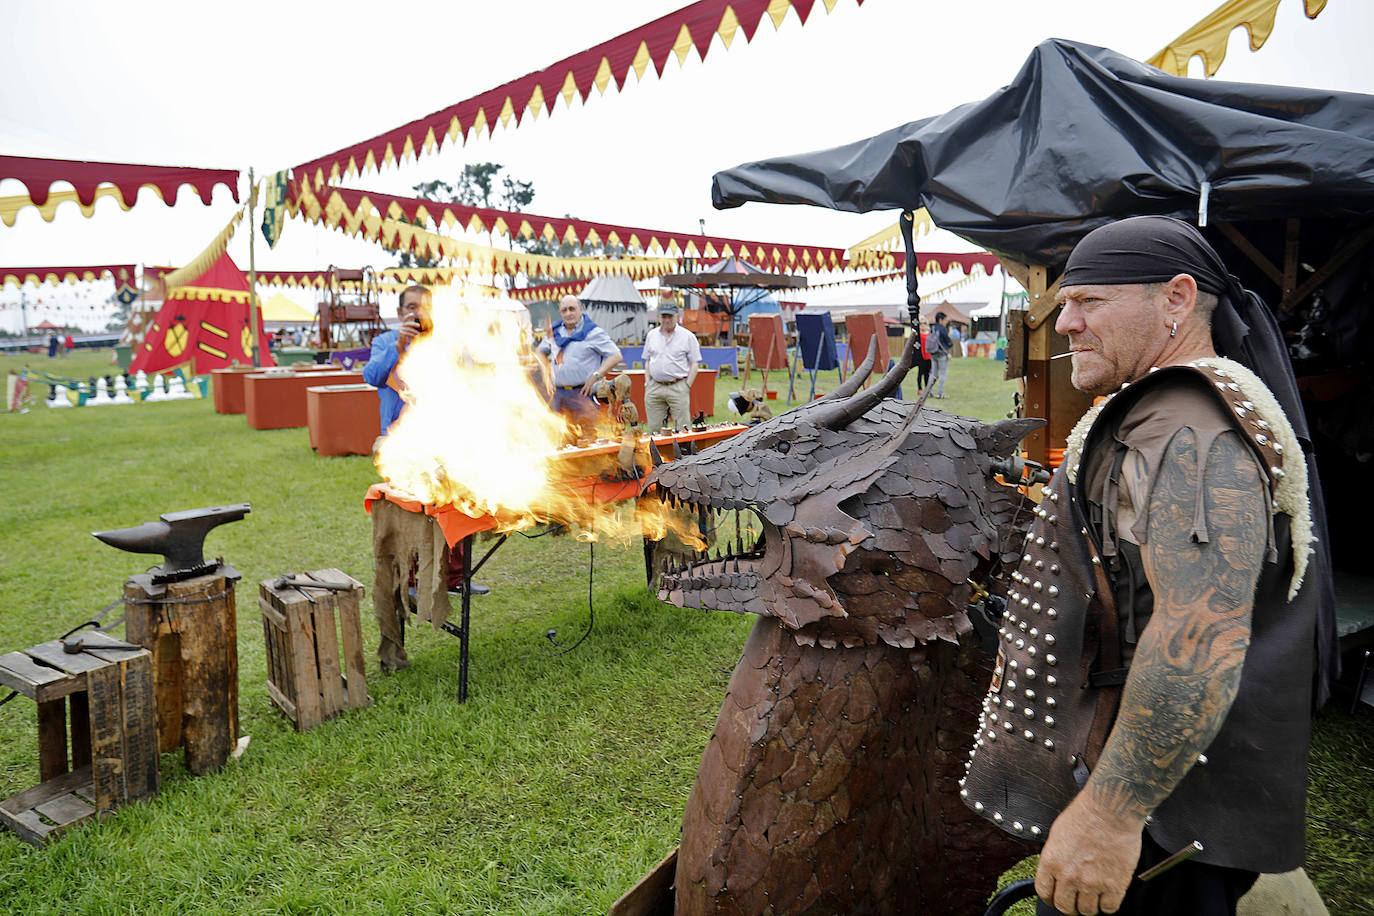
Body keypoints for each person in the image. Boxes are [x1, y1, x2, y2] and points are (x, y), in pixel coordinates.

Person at [962, 216, 1330, 916]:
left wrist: (1108, 816)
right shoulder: (1172, 411)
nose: (1064, 323)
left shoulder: (1184, 421)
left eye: (1089, 302)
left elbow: (1202, 635)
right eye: (1064, 302)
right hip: (1161, 799)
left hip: (1163, 822)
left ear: (1177, 299)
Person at [534, 295, 621, 433]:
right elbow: (539, 352)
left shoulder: (593, 332)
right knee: (558, 438)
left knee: (585, 437)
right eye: (564, 310)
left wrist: (595, 376)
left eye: (572, 309)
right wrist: (546, 374)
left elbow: (615, 356)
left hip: (582, 394)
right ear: (560, 312)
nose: (568, 313)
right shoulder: (555, 332)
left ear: (580, 309)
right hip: (557, 395)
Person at [363, 284, 429, 434]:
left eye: (426, 307)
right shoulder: (384, 342)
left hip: (435, 430)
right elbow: (371, 376)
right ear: (400, 313)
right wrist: (398, 346)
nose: (419, 312)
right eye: (412, 307)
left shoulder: (445, 342)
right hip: (397, 434)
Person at [642, 302, 702, 431]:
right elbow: (647, 360)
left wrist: (687, 386)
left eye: (670, 316)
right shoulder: (651, 335)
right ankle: (658, 450)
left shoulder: (688, 336)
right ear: (658, 317)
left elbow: (694, 363)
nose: (667, 320)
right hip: (655, 386)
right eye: (664, 317)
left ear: (677, 316)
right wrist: (647, 382)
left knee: (683, 428)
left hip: (678, 386)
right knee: (654, 429)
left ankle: (684, 451)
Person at [927, 311, 952, 397]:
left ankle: (929, 392)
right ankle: (939, 393)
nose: (946, 322)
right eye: (945, 320)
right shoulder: (943, 329)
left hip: (933, 353)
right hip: (942, 354)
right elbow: (948, 342)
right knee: (943, 374)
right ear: (940, 320)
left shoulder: (932, 328)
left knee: (933, 374)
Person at [915, 321, 932, 390]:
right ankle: (920, 388)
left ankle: (927, 388)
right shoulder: (918, 334)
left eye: (924, 323)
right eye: (921, 324)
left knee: (927, 374)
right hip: (921, 356)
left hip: (929, 356)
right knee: (920, 373)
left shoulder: (929, 333)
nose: (923, 325)